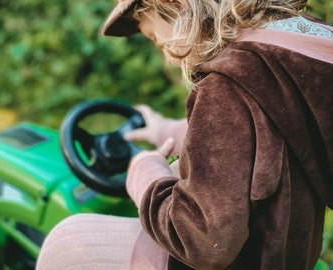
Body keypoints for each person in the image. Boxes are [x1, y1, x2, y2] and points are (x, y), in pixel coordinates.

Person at [36, 0, 333, 269]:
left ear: (172, 4)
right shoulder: (295, 46)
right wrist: (167, 130)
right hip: (290, 253)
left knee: (66, 242)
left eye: (156, 39)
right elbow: (258, 135)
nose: (169, 58)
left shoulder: (226, 85)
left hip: (246, 259)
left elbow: (202, 240)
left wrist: (145, 176)